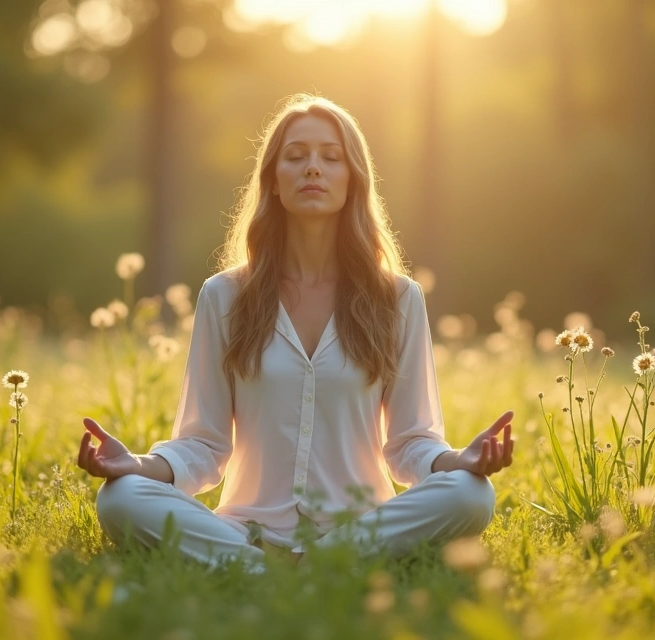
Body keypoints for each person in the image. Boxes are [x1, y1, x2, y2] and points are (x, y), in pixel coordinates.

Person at [75, 94, 514, 572]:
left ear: (354, 179)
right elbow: (203, 444)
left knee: (471, 494)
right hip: (247, 528)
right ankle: (286, 570)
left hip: (357, 525)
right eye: (296, 156)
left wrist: (458, 461)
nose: (313, 168)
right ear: (274, 181)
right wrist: (138, 466)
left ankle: (296, 565)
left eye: (331, 157)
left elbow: (410, 443)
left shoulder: (398, 298)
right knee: (120, 498)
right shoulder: (224, 296)